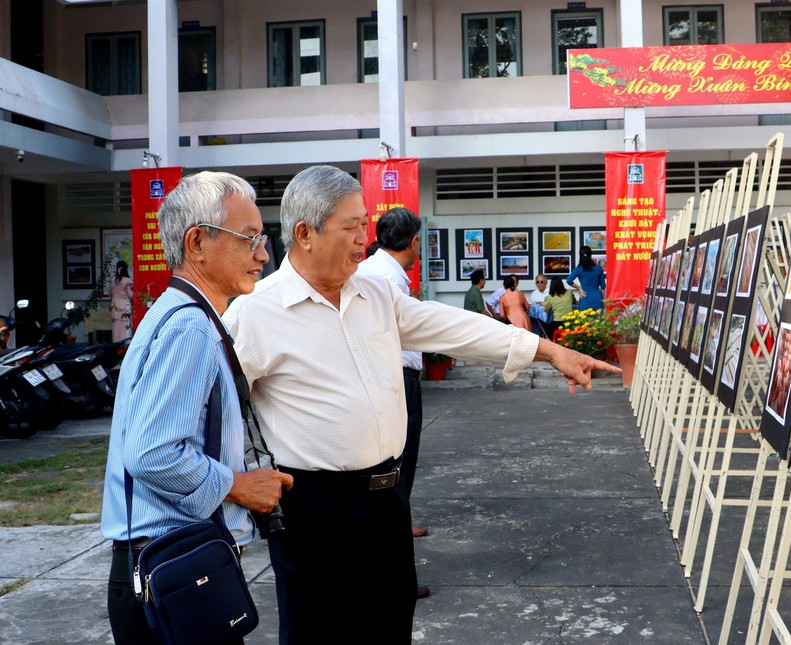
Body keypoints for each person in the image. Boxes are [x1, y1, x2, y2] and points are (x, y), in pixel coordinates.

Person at [222, 165, 618, 644]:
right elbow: (214, 406)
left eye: (364, 225)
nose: (363, 240)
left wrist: (550, 350)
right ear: (305, 234)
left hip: (386, 502)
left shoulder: (374, 293)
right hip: (313, 511)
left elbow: (451, 326)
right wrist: (233, 483)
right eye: (352, 227)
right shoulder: (256, 312)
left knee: (391, 627)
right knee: (317, 634)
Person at [100, 171, 293, 644]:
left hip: (166, 566)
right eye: (249, 239)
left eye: (262, 239)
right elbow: (152, 453)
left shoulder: (181, 313)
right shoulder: (189, 328)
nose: (263, 255)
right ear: (197, 242)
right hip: (172, 573)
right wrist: (239, 486)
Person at [354, 207, 431, 600]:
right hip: (395, 380)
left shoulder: (375, 271)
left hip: (389, 379)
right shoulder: (387, 279)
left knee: (393, 476)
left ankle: (396, 549)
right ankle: (397, 577)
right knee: (397, 475)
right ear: (413, 241)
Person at [567, 245, 606, 311]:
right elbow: (603, 287)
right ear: (590, 255)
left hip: (585, 296)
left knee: (584, 319)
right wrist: (603, 301)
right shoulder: (598, 268)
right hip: (597, 297)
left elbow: (569, 280)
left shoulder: (578, 269)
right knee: (598, 319)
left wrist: (579, 288)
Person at [109, 260, 134, 342]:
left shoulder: (113, 280)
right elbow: (131, 295)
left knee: (116, 327)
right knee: (125, 326)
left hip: (114, 306)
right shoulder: (128, 280)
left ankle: (116, 344)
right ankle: (125, 344)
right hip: (125, 306)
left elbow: (111, 294)